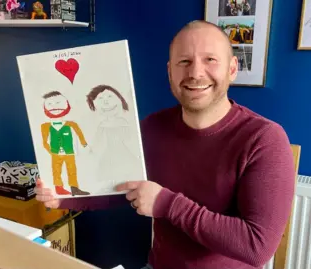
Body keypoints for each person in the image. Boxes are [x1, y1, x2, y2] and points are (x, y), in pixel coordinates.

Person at [35, 20, 295, 269]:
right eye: (184, 62)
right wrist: (64, 197)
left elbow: (257, 246)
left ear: (232, 68)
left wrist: (167, 204)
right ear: (170, 71)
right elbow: (121, 186)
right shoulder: (153, 127)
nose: (195, 73)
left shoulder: (264, 140)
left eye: (210, 60)